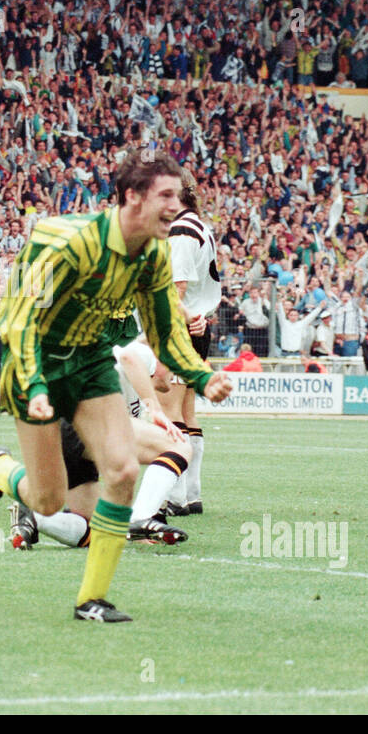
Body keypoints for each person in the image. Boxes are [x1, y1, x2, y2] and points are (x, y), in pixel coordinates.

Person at [0, 149, 232, 623]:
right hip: (38, 363)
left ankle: (91, 600)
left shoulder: (154, 253)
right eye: (166, 196)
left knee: (122, 471)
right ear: (132, 197)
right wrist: (33, 385)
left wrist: (200, 375)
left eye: (180, 194)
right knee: (48, 499)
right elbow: (20, 319)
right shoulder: (68, 243)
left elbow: (165, 328)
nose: (178, 206)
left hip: (90, 363)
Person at [8, 337, 194, 550]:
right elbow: (128, 356)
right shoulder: (143, 354)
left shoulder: (130, 380)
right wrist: (156, 409)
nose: (174, 379)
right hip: (80, 416)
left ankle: (34, 517)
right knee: (179, 445)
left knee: (101, 530)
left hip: (64, 427)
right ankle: (140, 518)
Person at [160, 166, 221, 515]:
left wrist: (181, 320)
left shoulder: (182, 229)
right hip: (198, 322)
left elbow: (177, 287)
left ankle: (176, 495)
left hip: (184, 325)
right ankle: (192, 492)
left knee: (170, 410)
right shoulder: (200, 225)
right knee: (187, 410)